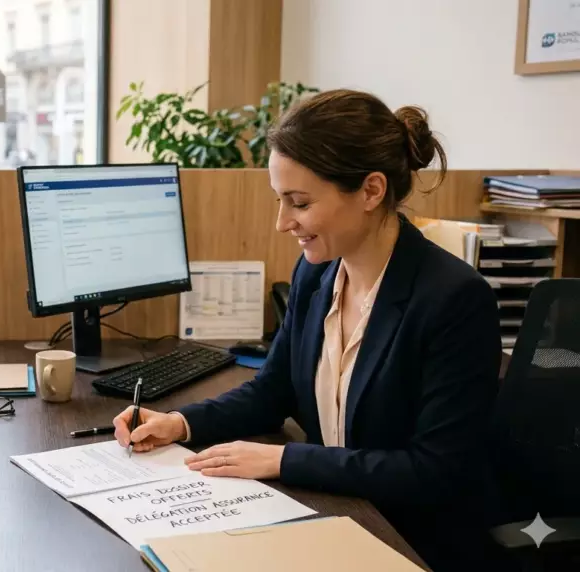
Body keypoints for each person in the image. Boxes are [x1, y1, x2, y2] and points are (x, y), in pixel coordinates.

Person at [111, 89, 503, 572]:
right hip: (337, 513)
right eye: (280, 200)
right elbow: (272, 391)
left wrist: (282, 460)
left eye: (298, 202)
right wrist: (180, 424)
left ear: (371, 191)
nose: (282, 223)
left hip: (415, 540)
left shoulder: (453, 298)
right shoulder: (317, 273)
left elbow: (433, 471)